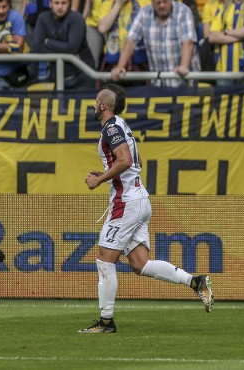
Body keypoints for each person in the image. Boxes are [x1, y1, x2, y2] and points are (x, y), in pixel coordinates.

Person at [79, 84, 213, 333]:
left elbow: (127, 161)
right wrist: (108, 174)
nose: (93, 104)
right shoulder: (122, 125)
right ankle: (195, 281)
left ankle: (106, 322)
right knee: (140, 263)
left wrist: (100, 179)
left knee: (105, 261)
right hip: (139, 198)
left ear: (102, 105)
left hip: (126, 202)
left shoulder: (110, 128)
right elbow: (136, 162)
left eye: (96, 100)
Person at [111, 0, 200, 88]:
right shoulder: (144, 13)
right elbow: (131, 40)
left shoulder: (184, 11)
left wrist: (183, 66)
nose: (162, 5)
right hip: (158, 80)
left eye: (165, 1)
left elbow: (188, 42)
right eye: (158, 2)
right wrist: (120, 67)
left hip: (184, 79)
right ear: (152, 3)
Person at [32, 0, 95, 90]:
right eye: (56, 3)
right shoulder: (43, 18)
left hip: (82, 76)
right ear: (50, 3)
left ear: (69, 3)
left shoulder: (76, 18)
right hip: (57, 78)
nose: (60, 7)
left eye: (63, 3)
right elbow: (37, 47)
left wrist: (48, 42)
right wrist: (66, 50)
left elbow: (72, 47)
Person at [97, 0, 150, 74]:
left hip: (139, 57)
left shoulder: (145, 2)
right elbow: (102, 28)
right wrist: (118, 4)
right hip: (114, 58)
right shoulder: (106, 5)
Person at [0, 0, 29, 91]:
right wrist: (9, 46)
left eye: (4, 7)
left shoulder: (16, 18)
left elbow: (18, 48)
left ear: (9, 6)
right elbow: (13, 48)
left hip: (16, 76)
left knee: (20, 106)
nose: (1, 11)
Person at [200, 0, 231, 72]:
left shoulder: (237, 3)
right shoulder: (209, 4)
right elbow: (207, 35)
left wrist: (220, 35)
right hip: (213, 45)